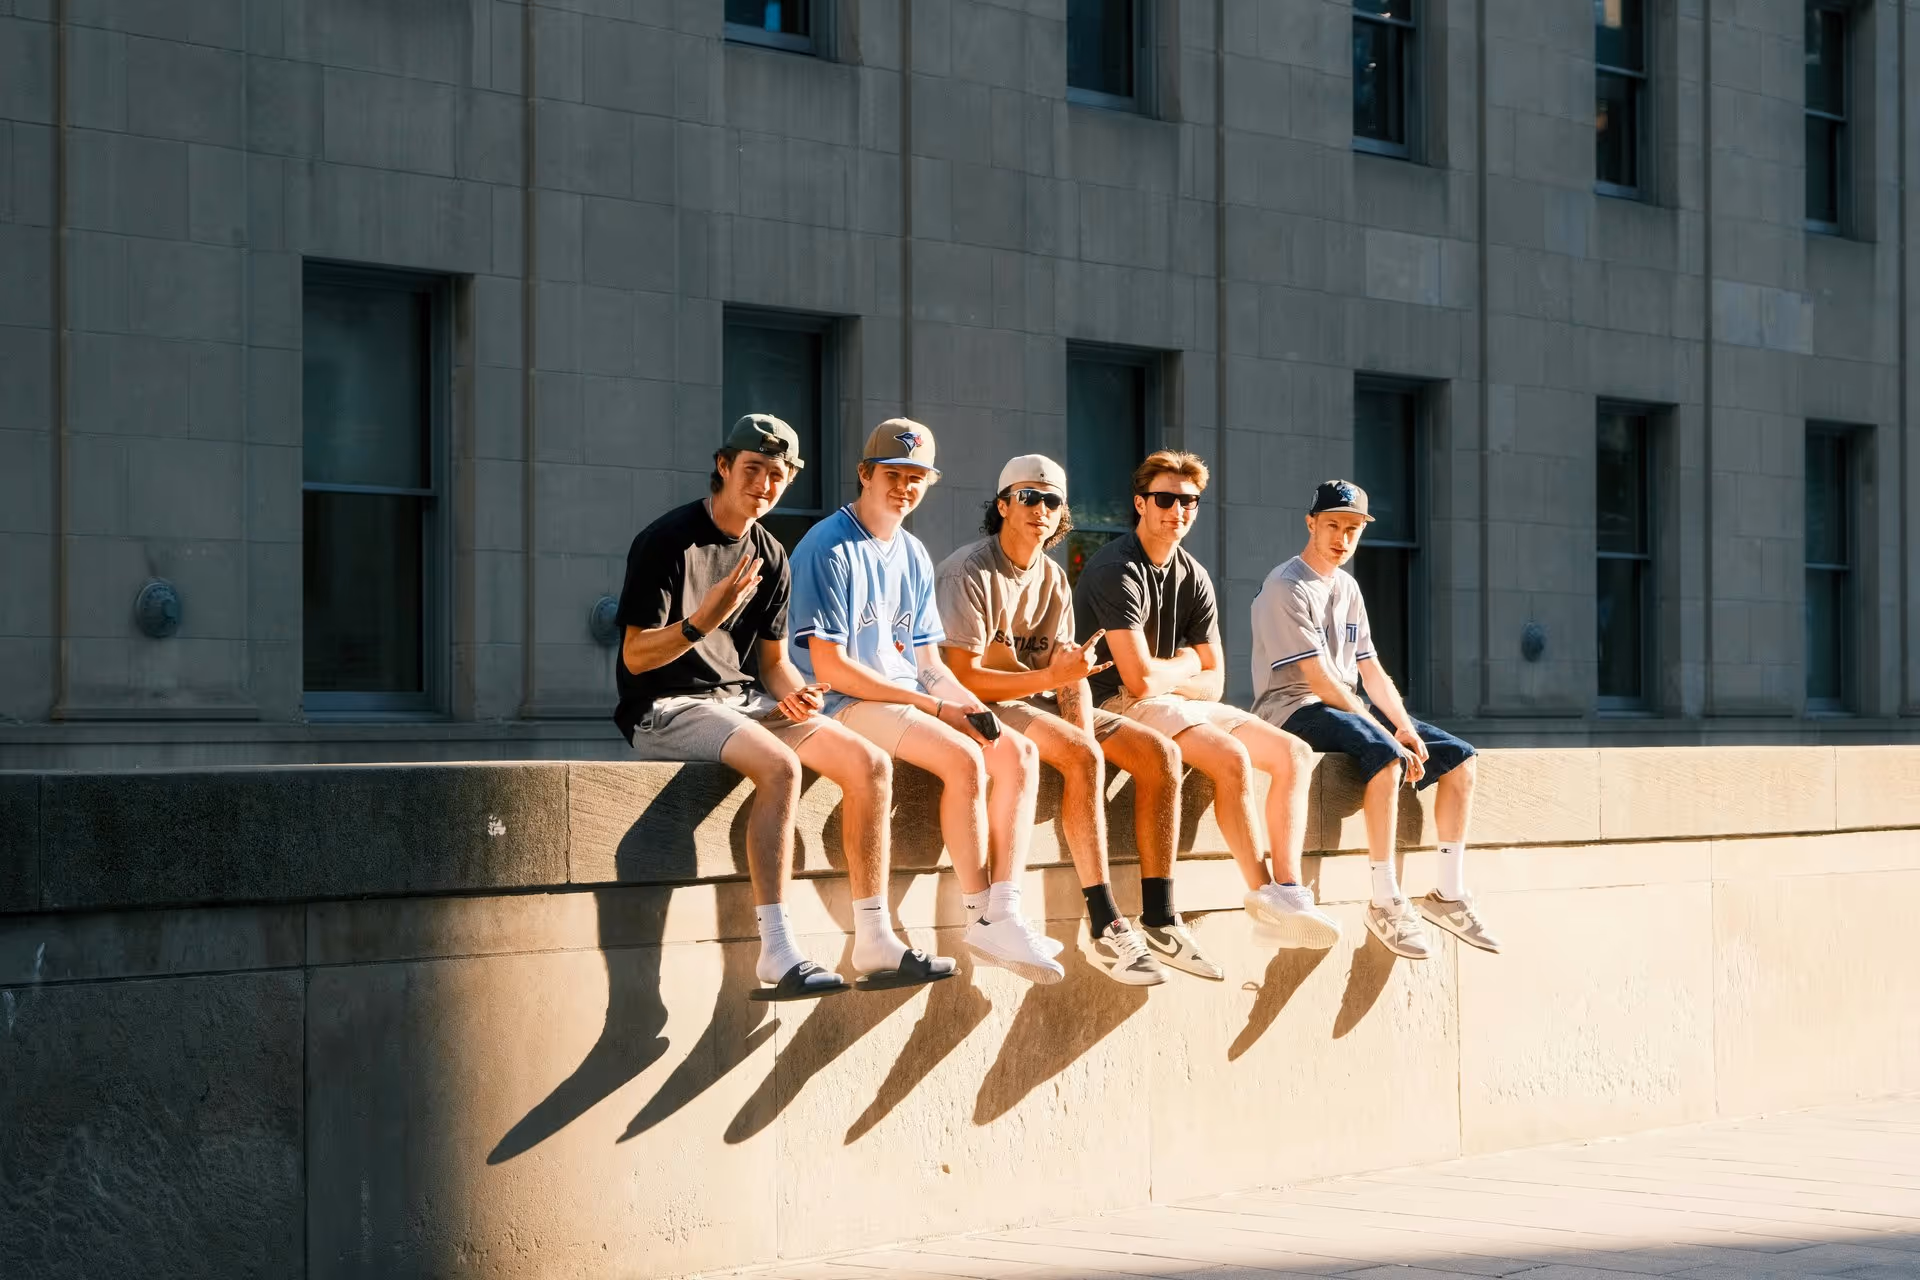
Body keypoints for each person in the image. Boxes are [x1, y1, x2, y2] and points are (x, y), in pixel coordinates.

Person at [613, 414, 955, 1001]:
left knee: (868, 763)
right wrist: (701, 624)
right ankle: (776, 950)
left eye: (777, 475)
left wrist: (796, 691)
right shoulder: (668, 540)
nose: (764, 485)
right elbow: (637, 658)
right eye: (752, 470)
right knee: (781, 767)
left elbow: (773, 664)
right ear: (723, 467)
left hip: (741, 701)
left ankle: (873, 937)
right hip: (666, 706)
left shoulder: (772, 552)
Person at [789, 420, 1064, 985]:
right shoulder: (827, 545)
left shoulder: (912, 552)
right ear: (865, 474)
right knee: (963, 760)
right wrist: (939, 710)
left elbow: (929, 665)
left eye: (916, 478)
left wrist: (967, 706)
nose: (904, 487)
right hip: (842, 703)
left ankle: (1003, 912)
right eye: (893, 474)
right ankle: (977, 913)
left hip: (904, 699)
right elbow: (832, 668)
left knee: (1015, 752)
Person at [1073, 451, 1341, 978]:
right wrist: (1187, 663)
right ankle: (1261, 893)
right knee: (1231, 757)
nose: (1177, 510)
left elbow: (1214, 678)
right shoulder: (1114, 568)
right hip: (1113, 706)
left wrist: (1173, 670)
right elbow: (1137, 681)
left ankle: (1286, 892)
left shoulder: (1192, 574)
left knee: (1294, 754)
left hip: (1177, 701)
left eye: (1188, 501)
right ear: (1140, 504)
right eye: (1165, 499)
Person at [934, 455, 1173, 986]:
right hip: (981, 705)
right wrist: (1071, 728)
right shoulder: (967, 570)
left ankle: (1162, 916)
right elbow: (962, 677)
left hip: (1034, 700)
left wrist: (1081, 734)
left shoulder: (1053, 578)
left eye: (1052, 501)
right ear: (1002, 506)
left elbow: (1071, 676)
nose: (1041, 509)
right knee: (1082, 754)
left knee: (1159, 752)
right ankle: (1105, 921)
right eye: (1028, 497)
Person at [1250, 480, 1501, 960]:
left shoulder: (1348, 586)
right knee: (1385, 756)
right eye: (1332, 526)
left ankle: (1448, 894)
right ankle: (1385, 901)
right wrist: (1383, 731)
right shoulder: (1286, 585)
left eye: (1352, 528)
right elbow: (1318, 680)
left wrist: (1402, 722)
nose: (1342, 538)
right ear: (1311, 523)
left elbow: (1370, 668)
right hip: (1292, 710)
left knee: (1461, 759)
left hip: (1345, 703)